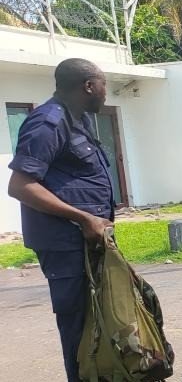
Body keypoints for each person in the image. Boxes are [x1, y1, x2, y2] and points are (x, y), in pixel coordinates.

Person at [6, 59, 114, 381]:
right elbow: (20, 185)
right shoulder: (49, 122)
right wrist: (83, 218)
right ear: (89, 86)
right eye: (104, 85)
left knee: (100, 320)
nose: (106, 93)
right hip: (66, 244)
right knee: (79, 326)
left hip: (86, 241)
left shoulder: (77, 119)